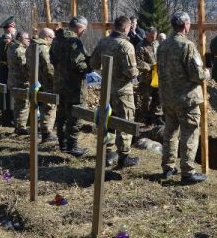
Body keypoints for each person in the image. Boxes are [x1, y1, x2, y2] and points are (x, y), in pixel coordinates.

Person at [157, 11, 210, 184]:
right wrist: (206, 74)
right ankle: (187, 172)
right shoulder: (187, 46)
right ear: (186, 25)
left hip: (168, 98)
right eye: (189, 24)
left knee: (170, 133)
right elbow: (196, 75)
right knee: (190, 133)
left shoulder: (163, 45)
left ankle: (168, 167)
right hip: (186, 100)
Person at [91, 16, 140, 168]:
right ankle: (124, 157)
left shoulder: (103, 41)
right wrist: (141, 68)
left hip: (106, 89)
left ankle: (107, 152)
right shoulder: (126, 45)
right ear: (126, 28)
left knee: (108, 120)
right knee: (125, 122)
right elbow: (131, 72)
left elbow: (93, 63)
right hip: (123, 91)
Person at [50, 16, 92, 157]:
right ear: (79, 27)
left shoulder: (57, 39)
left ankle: (62, 144)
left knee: (61, 115)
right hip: (74, 86)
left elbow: (52, 59)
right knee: (75, 116)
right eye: (84, 30)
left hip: (59, 84)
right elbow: (79, 65)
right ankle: (72, 146)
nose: (84, 33)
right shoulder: (74, 42)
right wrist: (90, 66)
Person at [26, 28, 57, 143]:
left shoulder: (30, 47)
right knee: (50, 106)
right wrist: (54, 79)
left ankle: (36, 129)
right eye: (52, 38)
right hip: (46, 82)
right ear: (46, 37)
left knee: (36, 105)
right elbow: (49, 67)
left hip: (34, 81)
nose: (53, 41)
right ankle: (46, 133)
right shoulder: (44, 48)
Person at [135, 26, 164, 126]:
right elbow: (138, 62)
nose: (153, 38)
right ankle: (147, 118)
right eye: (151, 36)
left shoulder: (156, 44)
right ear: (146, 35)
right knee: (146, 98)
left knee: (158, 96)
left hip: (157, 75)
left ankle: (158, 116)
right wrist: (151, 66)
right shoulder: (141, 46)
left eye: (155, 37)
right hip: (146, 77)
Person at [7, 31, 30, 135]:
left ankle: (17, 126)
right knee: (23, 105)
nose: (29, 40)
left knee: (17, 104)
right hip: (21, 81)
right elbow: (25, 67)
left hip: (13, 80)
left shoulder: (11, 48)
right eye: (27, 38)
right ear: (20, 39)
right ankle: (21, 127)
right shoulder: (20, 50)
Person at [0, 16, 17, 126]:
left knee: (6, 94)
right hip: (8, 70)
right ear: (10, 28)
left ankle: (7, 118)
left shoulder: (0, 40)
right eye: (14, 27)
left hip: (3, 70)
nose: (15, 30)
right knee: (9, 94)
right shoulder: (7, 41)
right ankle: (9, 119)